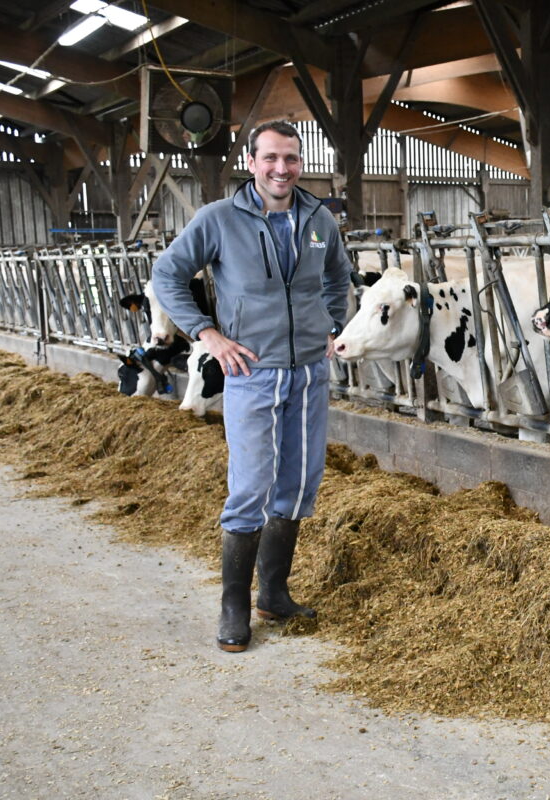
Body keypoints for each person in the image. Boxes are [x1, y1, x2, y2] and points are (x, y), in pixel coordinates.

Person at [151, 120, 352, 652]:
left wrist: (329, 323)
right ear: (252, 162)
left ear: (301, 161)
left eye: (290, 158)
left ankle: (275, 593)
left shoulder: (318, 219)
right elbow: (167, 275)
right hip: (250, 372)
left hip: (309, 372)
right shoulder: (219, 219)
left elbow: (338, 277)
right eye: (270, 158)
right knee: (250, 487)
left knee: (299, 482)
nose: (281, 168)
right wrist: (208, 334)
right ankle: (234, 605)